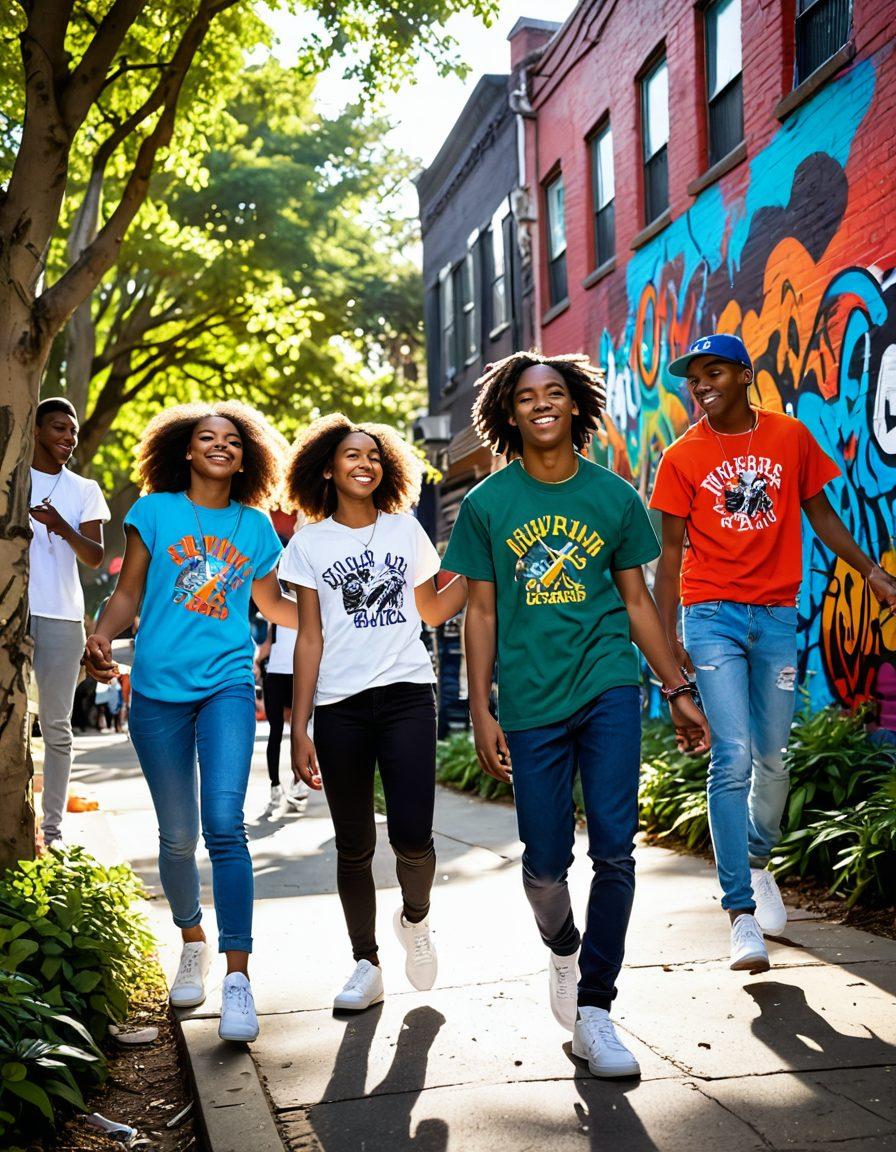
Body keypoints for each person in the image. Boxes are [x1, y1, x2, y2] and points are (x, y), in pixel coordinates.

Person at [441, 351, 710, 1080]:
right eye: (527, 396)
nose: (542, 404)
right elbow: (482, 610)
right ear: (509, 412)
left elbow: (636, 604)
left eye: (554, 392)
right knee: (544, 863)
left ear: (574, 405)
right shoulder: (489, 504)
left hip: (608, 685)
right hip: (530, 700)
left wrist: (677, 688)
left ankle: (596, 1010)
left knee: (617, 850)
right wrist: (480, 706)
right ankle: (563, 947)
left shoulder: (613, 497)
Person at [650, 333, 896, 973]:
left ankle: (758, 862)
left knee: (772, 756)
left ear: (744, 374)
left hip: (777, 618)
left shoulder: (788, 438)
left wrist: (869, 570)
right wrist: (667, 641)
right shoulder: (681, 458)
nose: (701, 385)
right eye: (693, 377)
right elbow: (668, 557)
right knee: (730, 757)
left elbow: (821, 513)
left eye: (714, 372)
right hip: (711, 619)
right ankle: (739, 915)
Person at [83, 402, 296, 1044]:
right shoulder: (154, 512)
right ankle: (192, 938)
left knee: (224, 826)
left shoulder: (257, 527)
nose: (220, 446)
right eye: (208, 438)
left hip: (228, 685)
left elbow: (270, 605)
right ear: (185, 450)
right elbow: (129, 593)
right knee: (176, 838)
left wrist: (331, 613)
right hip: (155, 690)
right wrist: (100, 637)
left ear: (246, 455)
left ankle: (238, 978)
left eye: (232, 440)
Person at [280, 414, 467, 1012]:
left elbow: (432, 612)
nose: (365, 464)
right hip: (340, 706)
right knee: (353, 843)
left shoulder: (404, 529)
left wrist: (480, 563)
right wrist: (298, 726)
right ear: (327, 469)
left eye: (374, 456)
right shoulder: (308, 543)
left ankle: (416, 919)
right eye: (352, 456)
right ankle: (365, 963)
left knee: (414, 835)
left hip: (409, 692)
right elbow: (309, 638)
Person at [29, 397, 110, 849]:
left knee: (57, 727)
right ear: (37, 430)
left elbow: (95, 555)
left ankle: (54, 833)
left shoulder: (84, 489)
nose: (68, 437)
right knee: (14, 721)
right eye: (59, 428)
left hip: (61, 615)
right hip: (14, 614)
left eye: (73, 431)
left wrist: (60, 525)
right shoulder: (12, 479)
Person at [254, 612, 309, 817]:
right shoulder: (305, 603)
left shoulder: (277, 608)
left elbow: (268, 644)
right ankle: (299, 782)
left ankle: (276, 786)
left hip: (278, 675)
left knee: (276, 732)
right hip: (298, 673)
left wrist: (257, 662)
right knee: (299, 730)